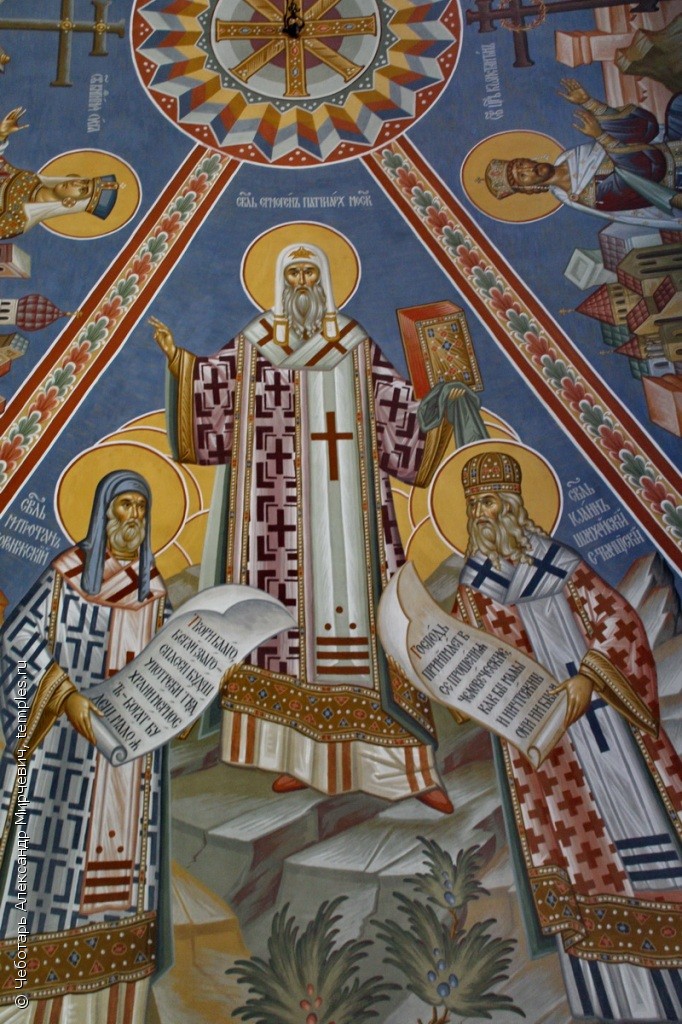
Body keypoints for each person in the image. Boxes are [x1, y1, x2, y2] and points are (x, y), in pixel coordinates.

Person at [150, 239, 483, 812]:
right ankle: (300, 760)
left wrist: (440, 401)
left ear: (325, 282)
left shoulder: (354, 344)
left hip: (352, 519)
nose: (302, 283)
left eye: (310, 273)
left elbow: (401, 416)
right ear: (281, 283)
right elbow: (212, 398)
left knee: (372, 640)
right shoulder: (256, 342)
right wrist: (181, 365)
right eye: (294, 274)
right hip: (274, 521)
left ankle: (408, 769)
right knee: (286, 641)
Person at [450, 448, 682, 1022]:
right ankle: (609, 1004)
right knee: (580, 863)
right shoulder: (474, 590)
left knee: (644, 839)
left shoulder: (561, 564)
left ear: (512, 504)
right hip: (549, 756)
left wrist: (588, 679)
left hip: (608, 730)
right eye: (473, 505)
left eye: (488, 502)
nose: (480, 514)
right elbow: (467, 665)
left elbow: (619, 622)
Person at [0, 471, 171, 1023]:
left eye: (141, 508)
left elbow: (168, 666)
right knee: (49, 889)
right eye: (124, 506)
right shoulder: (64, 577)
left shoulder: (154, 591)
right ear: (103, 512)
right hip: (62, 764)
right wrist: (64, 697)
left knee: (120, 898)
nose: (133, 518)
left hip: (128, 774)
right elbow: (15, 643)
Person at [485, 78, 682, 229]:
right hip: (676, 177)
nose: (528, 169)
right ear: (529, 189)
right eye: (522, 176)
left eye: (521, 164)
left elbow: (645, 128)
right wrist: (600, 136)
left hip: (672, 146)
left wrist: (589, 103)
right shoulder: (590, 197)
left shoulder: (575, 157)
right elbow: (649, 168)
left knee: (678, 105)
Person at [0, 107, 119, 239]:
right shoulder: (29, 179)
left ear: (70, 202)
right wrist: (2, 136)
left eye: (83, 190)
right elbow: (2, 167)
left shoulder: (19, 220)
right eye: (84, 181)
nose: (76, 184)